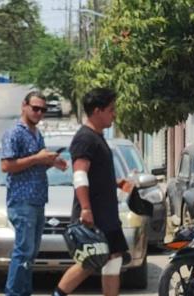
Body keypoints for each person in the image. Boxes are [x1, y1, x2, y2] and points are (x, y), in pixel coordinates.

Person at [52, 88, 129, 296]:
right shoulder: (85, 138)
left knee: (113, 259)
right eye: (111, 109)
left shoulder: (97, 137)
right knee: (89, 261)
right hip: (93, 215)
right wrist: (85, 209)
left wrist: (116, 183)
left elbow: (95, 175)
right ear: (97, 111)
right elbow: (79, 175)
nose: (114, 114)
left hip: (108, 216)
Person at [1, 91, 68, 296]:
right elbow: (6, 165)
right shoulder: (15, 132)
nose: (39, 113)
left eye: (43, 110)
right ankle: (12, 293)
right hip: (22, 201)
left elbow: (35, 164)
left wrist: (52, 162)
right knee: (23, 252)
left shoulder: (36, 133)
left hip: (38, 200)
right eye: (35, 108)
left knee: (30, 254)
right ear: (24, 106)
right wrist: (38, 158)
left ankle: (24, 292)